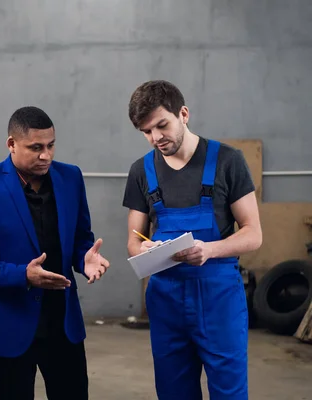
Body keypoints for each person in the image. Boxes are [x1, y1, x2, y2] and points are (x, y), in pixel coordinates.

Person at [122, 80, 262, 400]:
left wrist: (209, 250)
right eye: (146, 131)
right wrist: (142, 248)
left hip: (218, 298)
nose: (156, 138)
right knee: (173, 392)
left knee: (229, 391)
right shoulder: (141, 171)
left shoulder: (228, 161)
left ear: (183, 114)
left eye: (162, 125)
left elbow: (253, 234)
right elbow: (132, 241)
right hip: (165, 300)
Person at [0, 106, 110, 400]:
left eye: (51, 145)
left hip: (62, 324)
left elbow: (81, 238)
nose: (46, 155)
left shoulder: (71, 178)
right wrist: (23, 275)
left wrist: (84, 259)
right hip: (10, 325)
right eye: (36, 148)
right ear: (11, 144)